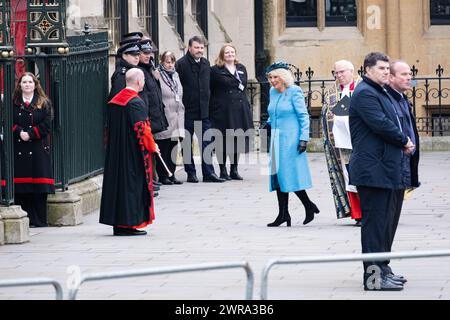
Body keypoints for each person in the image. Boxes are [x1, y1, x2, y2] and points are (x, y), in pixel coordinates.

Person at [349, 52, 416, 291]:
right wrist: (404, 140)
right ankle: (374, 278)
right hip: (372, 171)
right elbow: (380, 123)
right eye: (381, 68)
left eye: (388, 68)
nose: (386, 72)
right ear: (368, 70)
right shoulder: (365, 93)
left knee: (387, 224)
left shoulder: (381, 91)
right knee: (375, 226)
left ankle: (383, 269)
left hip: (387, 169)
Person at [99, 68, 159, 236]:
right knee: (131, 187)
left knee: (118, 186)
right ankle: (129, 224)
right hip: (132, 153)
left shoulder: (114, 101)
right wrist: (152, 146)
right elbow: (143, 130)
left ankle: (119, 224)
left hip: (116, 152)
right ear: (139, 82)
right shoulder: (136, 102)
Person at [265, 61, 319, 227]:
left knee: (288, 175)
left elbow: (303, 116)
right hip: (276, 138)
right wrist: (267, 123)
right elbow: (273, 112)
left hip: (291, 139)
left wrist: (304, 138)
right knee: (279, 177)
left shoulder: (294, 91)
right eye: (270, 77)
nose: (272, 80)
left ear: (283, 77)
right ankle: (284, 214)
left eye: (275, 77)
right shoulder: (273, 92)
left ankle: (308, 206)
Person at [384, 59, 420, 278]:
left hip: (403, 167)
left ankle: (384, 268)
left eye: (410, 74)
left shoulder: (401, 98)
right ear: (391, 77)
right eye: (404, 74)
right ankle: (378, 272)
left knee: (391, 222)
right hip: (390, 169)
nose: (409, 78)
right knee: (384, 223)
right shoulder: (387, 99)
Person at [175, 35, 225, 183]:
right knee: (187, 144)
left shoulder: (205, 63)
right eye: (196, 47)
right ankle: (191, 173)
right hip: (187, 112)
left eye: (201, 48)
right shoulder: (181, 64)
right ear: (189, 48)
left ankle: (209, 173)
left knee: (207, 143)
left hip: (204, 112)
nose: (199, 50)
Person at [321, 60, 362, 225]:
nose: (339, 76)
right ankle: (357, 213)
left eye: (342, 72)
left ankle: (369, 211)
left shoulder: (362, 88)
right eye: (336, 73)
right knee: (349, 178)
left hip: (361, 142)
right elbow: (328, 114)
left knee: (363, 177)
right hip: (341, 144)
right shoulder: (332, 92)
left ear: (352, 71)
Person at [12, 72, 55, 227]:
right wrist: (19, 132)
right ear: (20, 85)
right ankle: (26, 219)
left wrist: (30, 134)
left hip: (38, 148)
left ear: (35, 84)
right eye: (24, 82)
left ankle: (39, 220)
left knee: (38, 187)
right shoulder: (13, 103)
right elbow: (7, 121)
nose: (27, 85)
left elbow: (47, 125)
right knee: (22, 187)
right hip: (18, 147)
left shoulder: (44, 103)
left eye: (30, 82)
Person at [210, 44, 254, 180]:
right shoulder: (215, 70)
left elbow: (244, 85)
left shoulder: (241, 68)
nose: (230, 54)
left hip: (239, 109)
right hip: (223, 109)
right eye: (227, 52)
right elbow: (211, 88)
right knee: (222, 140)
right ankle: (223, 170)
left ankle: (234, 170)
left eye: (232, 52)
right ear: (222, 55)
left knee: (237, 139)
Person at [154, 51, 185, 185]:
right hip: (165, 115)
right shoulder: (157, 75)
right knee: (164, 147)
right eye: (167, 61)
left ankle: (172, 174)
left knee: (173, 147)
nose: (170, 64)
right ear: (162, 62)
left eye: (172, 61)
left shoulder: (176, 75)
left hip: (177, 115)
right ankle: (163, 175)